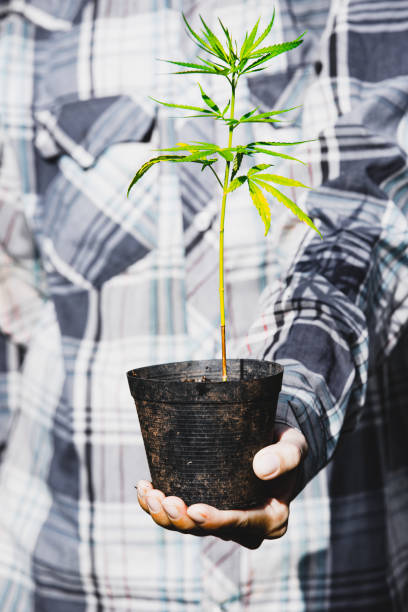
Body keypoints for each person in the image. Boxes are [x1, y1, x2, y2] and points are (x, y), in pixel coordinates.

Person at [0, 0, 407, 610]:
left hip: (341, 571)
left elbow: (366, 217)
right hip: (75, 573)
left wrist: (295, 403)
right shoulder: (34, 23)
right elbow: (13, 294)